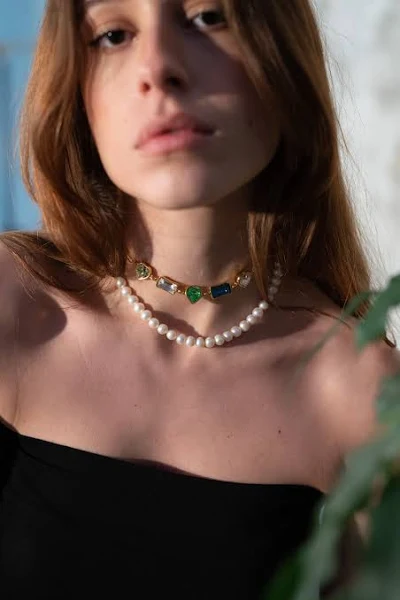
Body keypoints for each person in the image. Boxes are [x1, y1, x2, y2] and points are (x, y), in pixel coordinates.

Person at [0, 0, 399, 598]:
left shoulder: (359, 393)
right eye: (113, 35)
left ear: (283, 58)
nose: (158, 68)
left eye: (209, 17)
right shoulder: (13, 307)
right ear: (76, 93)